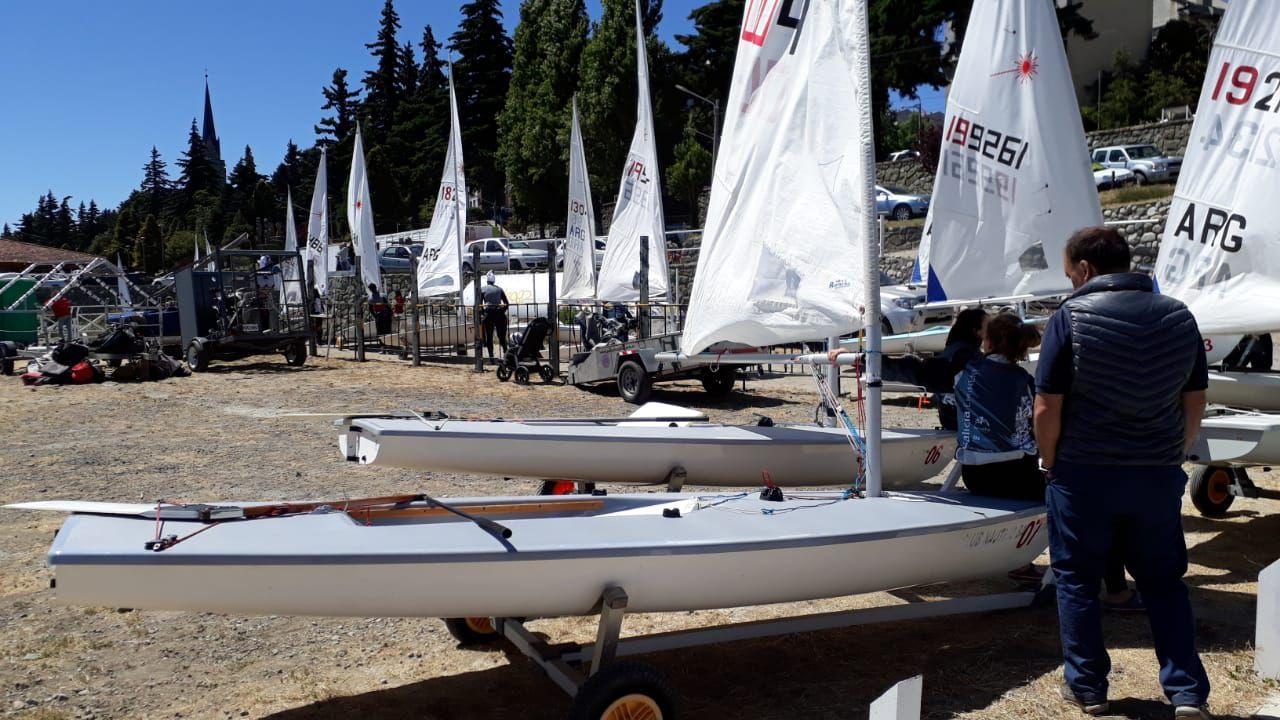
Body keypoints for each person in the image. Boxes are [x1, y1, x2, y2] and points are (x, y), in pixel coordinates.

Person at [1034, 226, 1210, 718]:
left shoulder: (1070, 318)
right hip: (1154, 470)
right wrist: (1176, 449)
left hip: (1085, 472)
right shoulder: (1179, 315)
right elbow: (1194, 398)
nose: (1070, 284)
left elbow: (1047, 405)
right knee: (1165, 581)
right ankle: (1187, 691)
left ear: (1085, 270)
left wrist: (1051, 461)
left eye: (1070, 274)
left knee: (1075, 578)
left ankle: (1089, 688)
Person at [480, 271, 510, 360]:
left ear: (487, 281)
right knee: (502, 336)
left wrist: (483, 313)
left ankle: (491, 357)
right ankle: (506, 354)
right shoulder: (499, 289)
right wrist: (501, 311)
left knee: (489, 336)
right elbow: (506, 303)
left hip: (489, 314)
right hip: (499, 314)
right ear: (494, 281)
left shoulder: (482, 289)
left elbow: (479, 304)